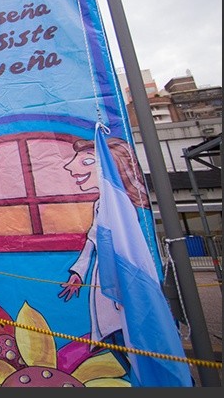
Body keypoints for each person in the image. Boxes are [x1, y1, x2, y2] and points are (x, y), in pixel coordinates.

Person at [58, 136, 151, 363]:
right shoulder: (101, 204)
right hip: (104, 281)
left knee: (132, 340)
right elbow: (91, 240)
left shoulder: (123, 205)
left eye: (87, 162)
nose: (70, 167)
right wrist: (78, 273)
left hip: (119, 280)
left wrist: (125, 287)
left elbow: (128, 250)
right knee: (113, 336)